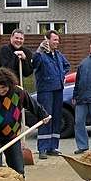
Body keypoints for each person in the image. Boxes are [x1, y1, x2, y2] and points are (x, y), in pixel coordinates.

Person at [0, 67, 50, 176]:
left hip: (12, 136)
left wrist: (43, 115)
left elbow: (32, 105)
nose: (1, 90)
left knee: (18, 170)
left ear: (10, 84)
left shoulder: (18, 93)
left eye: (4, 87)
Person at [32, 30, 70, 159]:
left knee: (56, 118)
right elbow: (34, 64)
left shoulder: (58, 55)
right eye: (54, 40)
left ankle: (53, 147)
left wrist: (62, 75)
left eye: (58, 40)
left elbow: (67, 65)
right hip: (46, 91)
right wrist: (39, 50)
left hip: (58, 90)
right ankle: (42, 148)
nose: (57, 42)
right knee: (45, 118)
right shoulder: (41, 55)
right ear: (47, 40)